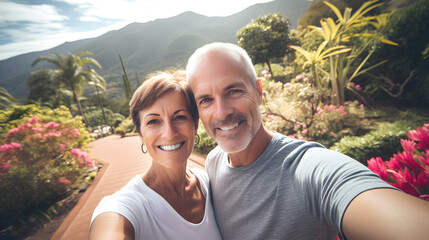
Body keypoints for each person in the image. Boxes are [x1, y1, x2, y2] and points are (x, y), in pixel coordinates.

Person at [185, 42, 429, 240]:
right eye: (205, 100)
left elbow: (347, 187)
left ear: (259, 91)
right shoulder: (214, 162)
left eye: (233, 91)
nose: (221, 112)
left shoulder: (305, 168)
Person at [89, 70, 222, 240]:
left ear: (195, 125)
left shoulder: (206, 183)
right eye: (153, 121)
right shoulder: (125, 206)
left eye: (180, 117)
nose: (169, 132)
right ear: (141, 135)